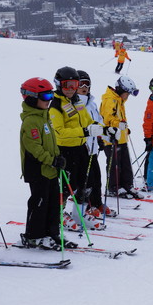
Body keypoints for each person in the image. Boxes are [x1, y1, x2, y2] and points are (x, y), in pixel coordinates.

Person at [49, 66, 114, 231]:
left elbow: (87, 120)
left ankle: (79, 213)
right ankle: (57, 214)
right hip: (64, 150)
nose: (71, 89)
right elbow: (60, 133)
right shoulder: (56, 105)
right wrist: (85, 131)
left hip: (80, 148)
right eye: (67, 85)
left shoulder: (76, 101)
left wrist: (104, 129)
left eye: (74, 85)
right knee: (65, 185)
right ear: (58, 84)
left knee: (84, 183)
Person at [18, 77, 76, 251]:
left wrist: (59, 157)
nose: (49, 100)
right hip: (38, 170)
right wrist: (52, 160)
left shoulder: (45, 117)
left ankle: (51, 233)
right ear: (30, 97)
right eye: (44, 96)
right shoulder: (31, 121)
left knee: (53, 203)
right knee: (40, 203)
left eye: (50, 95)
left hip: (50, 169)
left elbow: (52, 141)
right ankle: (34, 236)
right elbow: (34, 148)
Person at [77, 70, 114, 218]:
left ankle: (97, 202)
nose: (84, 87)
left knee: (96, 177)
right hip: (82, 148)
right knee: (86, 179)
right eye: (81, 84)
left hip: (93, 148)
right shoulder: (76, 104)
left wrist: (102, 136)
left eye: (87, 83)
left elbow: (98, 121)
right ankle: (86, 205)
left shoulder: (91, 103)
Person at [100, 75, 143, 199]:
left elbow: (118, 118)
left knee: (125, 163)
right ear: (121, 90)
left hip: (121, 138)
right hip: (111, 138)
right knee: (114, 164)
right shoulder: (110, 100)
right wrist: (119, 125)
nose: (127, 97)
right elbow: (107, 119)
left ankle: (127, 184)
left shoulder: (119, 100)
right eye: (127, 94)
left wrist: (124, 129)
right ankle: (113, 187)